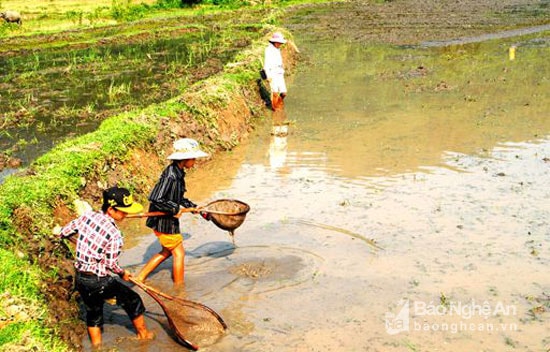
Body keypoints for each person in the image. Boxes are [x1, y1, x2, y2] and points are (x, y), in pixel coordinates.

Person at [58, 187, 154, 348]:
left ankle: (97, 347)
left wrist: (82, 242)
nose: (126, 215)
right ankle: (144, 335)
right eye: (123, 212)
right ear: (111, 209)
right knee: (133, 300)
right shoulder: (115, 234)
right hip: (98, 280)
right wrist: (123, 273)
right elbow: (111, 265)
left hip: (81, 278)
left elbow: (64, 232)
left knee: (93, 312)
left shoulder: (87, 217)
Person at [136, 138, 209, 285]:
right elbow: (156, 198)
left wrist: (193, 207)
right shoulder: (171, 175)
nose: (195, 161)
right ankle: (179, 288)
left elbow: (178, 197)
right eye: (193, 158)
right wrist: (175, 209)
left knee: (166, 252)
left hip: (168, 219)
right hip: (164, 221)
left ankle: (140, 278)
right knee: (179, 253)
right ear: (185, 159)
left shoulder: (179, 172)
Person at [264, 31, 287, 111]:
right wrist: (268, 76)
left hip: (279, 72)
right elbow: (266, 64)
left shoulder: (277, 49)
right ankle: (275, 109)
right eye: (279, 42)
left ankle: (279, 104)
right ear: (274, 42)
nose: (280, 44)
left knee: (283, 93)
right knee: (275, 92)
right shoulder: (269, 50)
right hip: (272, 73)